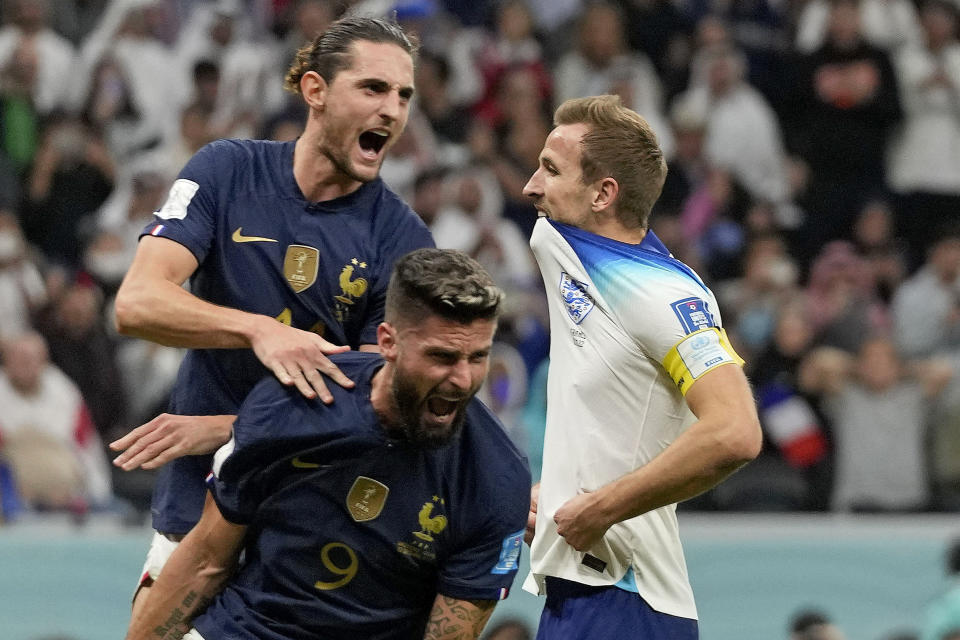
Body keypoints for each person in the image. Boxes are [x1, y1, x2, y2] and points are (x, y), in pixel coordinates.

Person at [111, 15, 433, 613]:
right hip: (195, 508)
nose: (393, 110)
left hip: (311, 528)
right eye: (373, 88)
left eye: (403, 95)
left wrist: (225, 429)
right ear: (315, 90)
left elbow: (375, 410)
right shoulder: (225, 170)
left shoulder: (404, 243)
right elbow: (136, 303)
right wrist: (259, 331)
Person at [125, 249, 531, 640]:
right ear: (388, 342)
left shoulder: (496, 479)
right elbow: (204, 564)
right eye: (442, 356)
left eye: (477, 357)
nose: (462, 379)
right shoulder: (289, 404)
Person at [520, 95, 762, 639]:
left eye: (551, 170)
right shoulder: (577, 261)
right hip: (580, 596)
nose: (530, 186)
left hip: (626, 601)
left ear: (605, 193)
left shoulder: (664, 292)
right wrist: (559, 491)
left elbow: (734, 431)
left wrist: (603, 507)